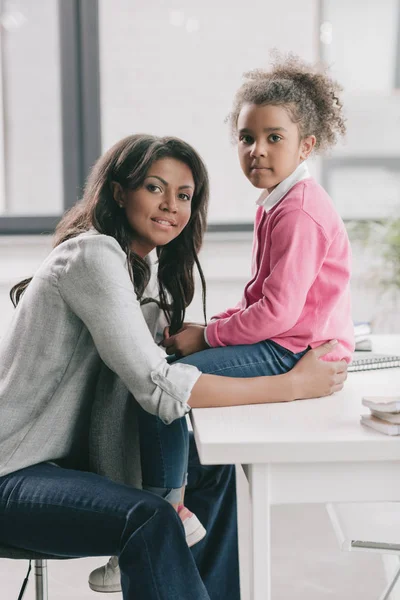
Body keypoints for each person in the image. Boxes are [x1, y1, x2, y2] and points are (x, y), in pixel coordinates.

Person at [0, 134, 347, 600]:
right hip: (14, 473)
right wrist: (291, 384)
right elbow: (157, 388)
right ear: (120, 192)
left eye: (183, 196)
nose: (171, 206)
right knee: (151, 517)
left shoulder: (145, 277)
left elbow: (156, 372)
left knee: (211, 466)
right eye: (155, 188)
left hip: (72, 467)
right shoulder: (92, 255)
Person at [90, 54, 355, 593]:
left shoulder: (299, 210)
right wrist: (212, 326)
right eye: (246, 137)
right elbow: (261, 295)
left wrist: (207, 335)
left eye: (274, 137)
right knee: (173, 369)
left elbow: (277, 314)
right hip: (284, 339)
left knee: (168, 381)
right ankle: (179, 511)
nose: (256, 150)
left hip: (290, 350)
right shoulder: (278, 203)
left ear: (305, 146)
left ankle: (168, 509)